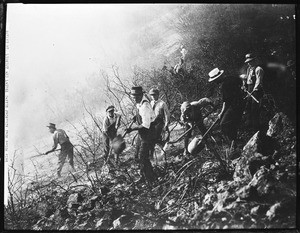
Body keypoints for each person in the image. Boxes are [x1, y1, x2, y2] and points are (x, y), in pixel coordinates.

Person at [126, 86, 157, 184]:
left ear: (141, 95)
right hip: (142, 133)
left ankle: (151, 180)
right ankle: (143, 176)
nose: (134, 98)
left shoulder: (145, 106)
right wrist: (136, 116)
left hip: (148, 133)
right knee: (136, 156)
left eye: (136, 95)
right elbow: (141, 115)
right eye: (133, 95)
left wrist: (132, 129)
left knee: (143, 157)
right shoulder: (139, 103)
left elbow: (145, 125)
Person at [208, 68, 244, 148]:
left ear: (218, 78)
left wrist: (221, 113)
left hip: (235, 106)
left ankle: (233, 144)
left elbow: (226, 102)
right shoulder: (231, 77)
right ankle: (235, 142)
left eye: (215, 80)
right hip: (241, 102)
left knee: (223, 124)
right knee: (232, 123)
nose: (214, 82)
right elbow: (241, 82)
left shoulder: (224, 85)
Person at [242, 53, 264, 130]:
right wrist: (244, 85)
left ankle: (256, 127)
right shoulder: (248, 69)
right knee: (248, 107)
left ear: (254, 60)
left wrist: (254, 89)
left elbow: (258, 80)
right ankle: (249, 125)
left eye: (250, 61)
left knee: (255, 108)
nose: (249, 63)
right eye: (248, 62)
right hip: (249, 88)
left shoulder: (258, 69)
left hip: (256, 90)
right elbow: (247, 79)